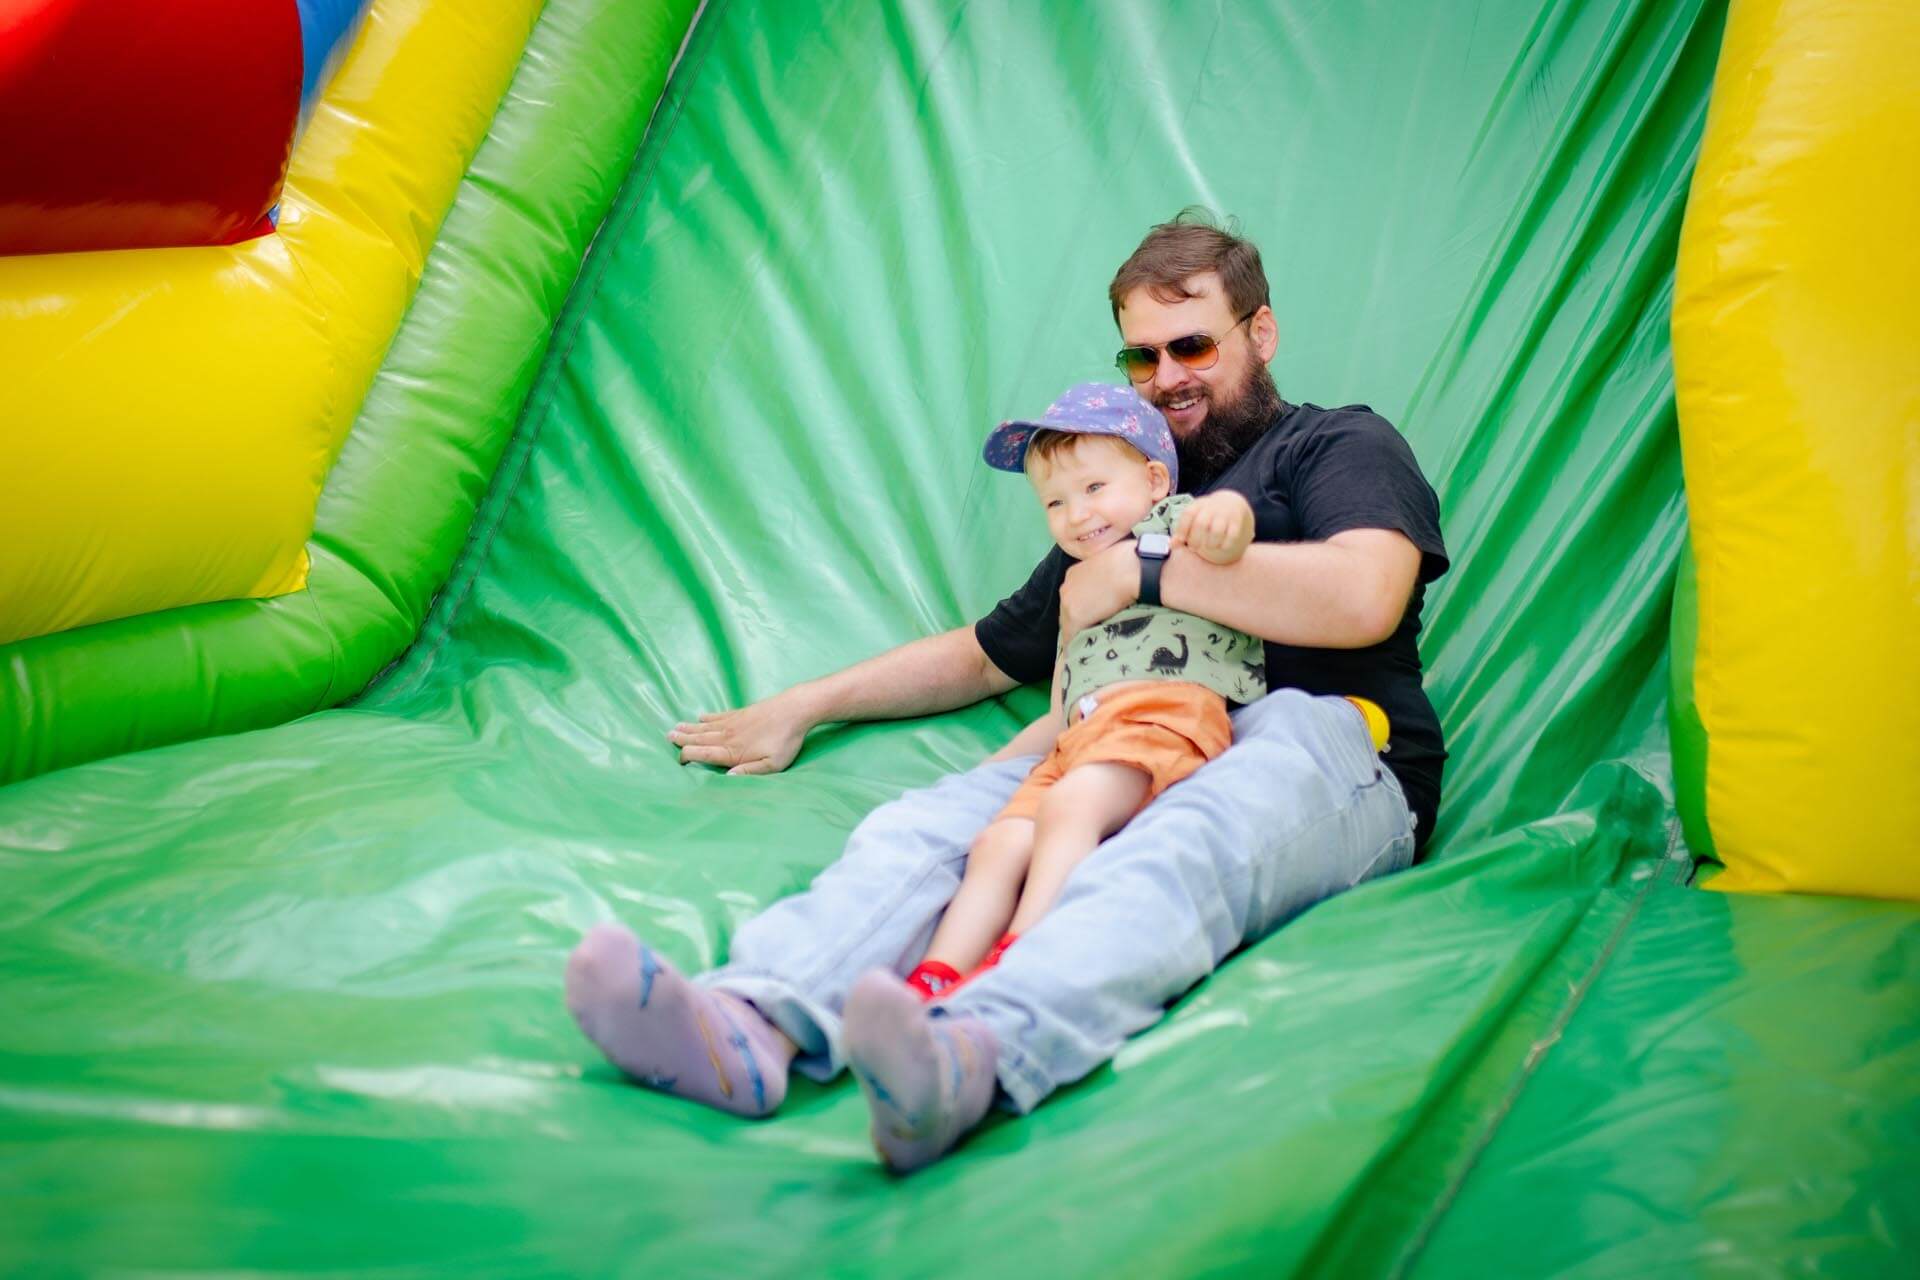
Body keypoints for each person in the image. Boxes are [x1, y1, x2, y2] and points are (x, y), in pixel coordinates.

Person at [563, 210, 1448, 1174]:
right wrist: (805, 704)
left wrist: (1148, 572)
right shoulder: (1119, 494)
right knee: (940, 826)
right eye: (1141, 358)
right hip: (1110, 728)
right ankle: (747, 1025)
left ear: (1260, 334)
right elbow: (991, 653)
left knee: (1185, 847)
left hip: (1320, 744)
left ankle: (970, 1051)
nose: (1168, 377)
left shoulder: (1334, 445)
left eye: (1191, 343)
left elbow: (1366, 595)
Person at [903, 382, 1272, 1002]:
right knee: (998, 841)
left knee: (1071, 810)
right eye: (1055, 502)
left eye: (1095, 489)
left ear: (1155, 481)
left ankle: (1022, 950)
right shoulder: (1078, 588)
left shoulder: (1168, 529)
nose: (1075, 515)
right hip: (1083, 742)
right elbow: (1063, 707)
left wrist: (1224, 515)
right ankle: (933, 977)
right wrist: (989, 774)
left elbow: (1230, 533)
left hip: (1164, 719)